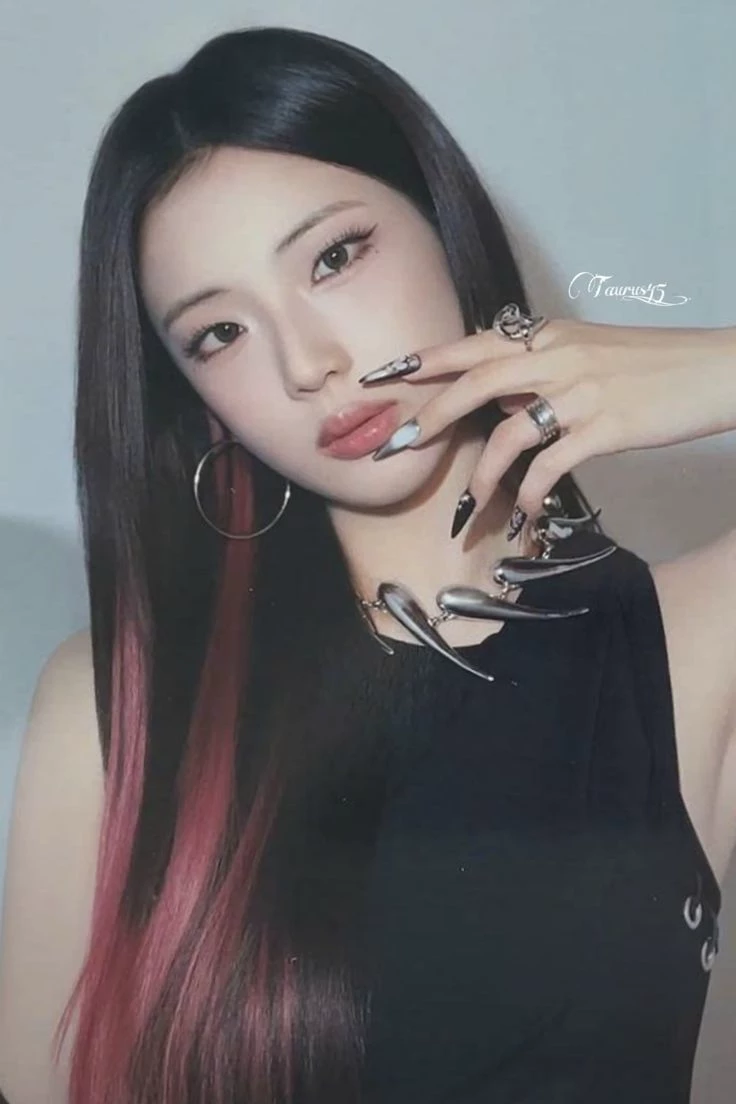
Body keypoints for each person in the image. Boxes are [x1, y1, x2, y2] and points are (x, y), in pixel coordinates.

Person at [1, 22, 735, 1104]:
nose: (309, 365)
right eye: (219, 334)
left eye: (334, 257)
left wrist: (719, 365)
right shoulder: (123, 705)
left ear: (443, 220)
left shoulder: (692, 642)